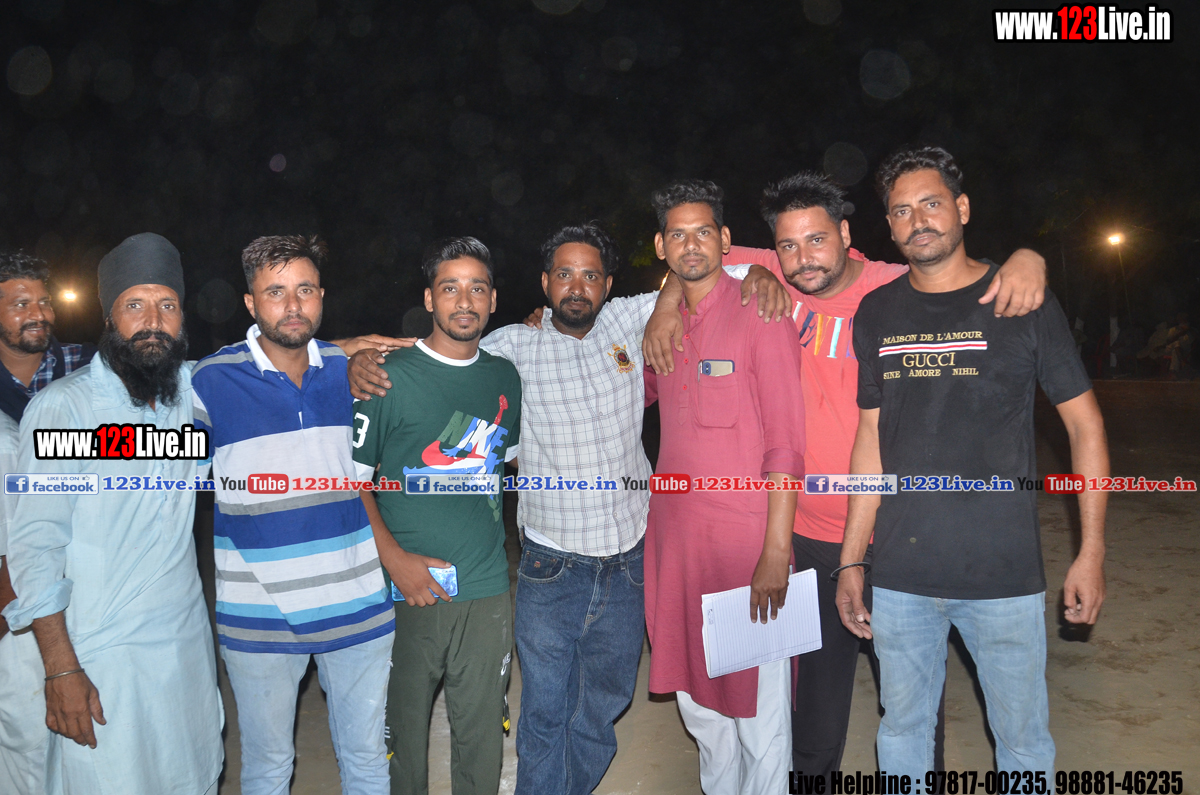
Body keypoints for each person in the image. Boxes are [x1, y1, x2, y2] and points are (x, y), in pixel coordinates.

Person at [348, 223, 790, 795]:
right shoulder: (510, 347)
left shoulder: (629, 321)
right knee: (543, 711)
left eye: (590, 276)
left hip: (630, 561)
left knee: (603, 705)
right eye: (564, 275)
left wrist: (756, 273)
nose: (576, 287)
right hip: (550, 566)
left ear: (608, 285)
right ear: (544, 283)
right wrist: (360, 358)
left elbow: (697, 272)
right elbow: (441, 350)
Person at [642, 171, 1048, 777]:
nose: (803, 257)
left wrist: (1029, 257)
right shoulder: (773, 273)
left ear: (847, 235)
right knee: (812, 721)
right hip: (805, 536)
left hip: (895, 535)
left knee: (912, 713)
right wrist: (665, 305)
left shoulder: (892, 285)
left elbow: (960, 269)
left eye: (817, 240)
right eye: (787, 246)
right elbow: (689, 257)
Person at [836, 146, 1108, 777]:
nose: (917, 221)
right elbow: (870, 438)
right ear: (890, 225)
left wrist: (1091, 551)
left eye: (931, 203)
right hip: (901, 573)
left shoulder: (1021, 298)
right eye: (901, 211)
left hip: (1003, 573)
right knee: (901, 732)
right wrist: (852, 558)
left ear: (961, 208)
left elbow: (1085, 425)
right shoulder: (877, 313)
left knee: (1023, 743)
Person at [2, 233, 225, 794]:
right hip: (101, 653)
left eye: (167, 305)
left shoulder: (191, 392)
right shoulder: (65, 408)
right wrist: (60, 667)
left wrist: (347, 353)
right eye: (135, 305)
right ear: (109, 318)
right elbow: (35, 546)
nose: (153, 321)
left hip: (184, 645)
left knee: (193, 775)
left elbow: (269, 361)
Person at [190, 235, 396, 795]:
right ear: (250, 303)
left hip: (356, 603)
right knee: (267, 766)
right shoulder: (210, 381)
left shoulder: (349, 370)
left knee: (367, 759)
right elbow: (154, 439)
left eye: (305, 290)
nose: (292, 305)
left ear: (322, 296)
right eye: (275, 292)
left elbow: (439, 354)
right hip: (258, 614)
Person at [644, 180, 806, 795]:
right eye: (678, 234)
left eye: (704, 232)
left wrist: (776, 551)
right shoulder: (657, 327)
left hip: (745, 550)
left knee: (760, 718)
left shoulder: (761, 311)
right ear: (661, 246)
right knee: (702, 712)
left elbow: (786, 442)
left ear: (726, 240)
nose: (692, 245)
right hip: (677, 551)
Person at [351, 237, 522, 795]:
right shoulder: (386, 375)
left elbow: (506, 468)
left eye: (477, 288)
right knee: (401, 745)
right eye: (450, 288)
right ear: (429, 299)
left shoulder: (504, 378)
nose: (464, 301)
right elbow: (350, 483)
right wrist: (394, 560)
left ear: (493, 300)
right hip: (406, 589)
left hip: (486, 589)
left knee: (482, 740)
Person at [0, 250, 98, 795]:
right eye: (20, 304)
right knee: (25, 732)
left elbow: (188, 372)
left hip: (81, 576)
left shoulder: (85, 368)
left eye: (44, 301)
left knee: (85, 727)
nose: (37, 313)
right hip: (10, 588)